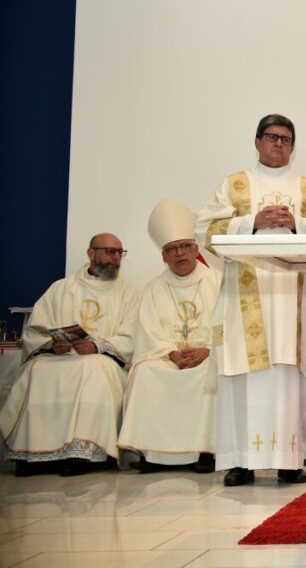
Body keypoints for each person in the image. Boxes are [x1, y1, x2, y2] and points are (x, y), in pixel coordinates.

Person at [196, 114, 306, 486]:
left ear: (293, 147)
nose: (278, 144)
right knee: (244, 375)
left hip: (291, 298)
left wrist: (296, 224)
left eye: (286, 139)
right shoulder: (234, 186)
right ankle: (240, 462)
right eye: (271, 137)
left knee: (288, 376)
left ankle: (290, 459)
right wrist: (252, 221)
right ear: (257, 141)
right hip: (246, 295)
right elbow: (206, 230)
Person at [0, 233, 139, 476]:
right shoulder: (61, 288)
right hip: (59, 356)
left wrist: (97, 346)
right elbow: (36, 328)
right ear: (90, 253)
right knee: (38, 368)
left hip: (102, 360)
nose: (115, 258)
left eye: (119, 252)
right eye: (109, 251)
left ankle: (86, 452)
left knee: (93, 367)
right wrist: (52, 345)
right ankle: (34, 453)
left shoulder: (128, 293)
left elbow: (132, 335)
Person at [118, 199, 222, 473]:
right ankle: (153, 454)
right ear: (163, 256)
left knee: (211, 372)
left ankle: (206, 452)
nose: (180, 253)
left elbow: (231, 325)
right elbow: (147, 331)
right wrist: (171, 353)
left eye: (185, 246)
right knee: (145, 372)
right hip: (167, 357)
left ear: (196, 249)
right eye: (171, 249)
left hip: (207, 356)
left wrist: (208, 350)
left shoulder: (218, 281)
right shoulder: (154, 288)